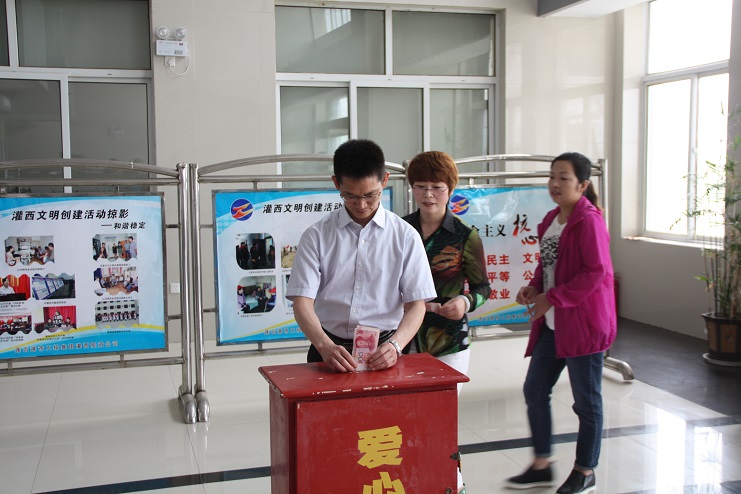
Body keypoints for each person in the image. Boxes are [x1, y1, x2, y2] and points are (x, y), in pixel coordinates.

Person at [505, 152, 616, 493]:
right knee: (535, 389)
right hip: (555, 324)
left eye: (564, 178)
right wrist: (534, 287)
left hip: (583, 326)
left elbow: (595, 273)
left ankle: (585, 470)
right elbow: (548, 265)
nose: (554, 183)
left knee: (587, 402)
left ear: (582, 185)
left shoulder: (589, 221)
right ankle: (542, 464)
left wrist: (550, 298)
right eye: (552, 176)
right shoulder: (553, 219)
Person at [286, 139, 436, 372]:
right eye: (351, 196)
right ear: (336, 183)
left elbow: (417, 305)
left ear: (384, 180)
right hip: (327, 348)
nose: (362, 204)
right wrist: (324, 345)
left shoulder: (405, 236)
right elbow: (302, 302)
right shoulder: (316, 236)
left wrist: (395, 345)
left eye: (370, 195)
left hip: (385, 351)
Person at [403, 151, 490, 494]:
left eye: (437, 187)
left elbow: (483, 287)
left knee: (439, 418)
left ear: (450, 189)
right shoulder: (398, 229)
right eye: (420, 186)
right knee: (409, 418)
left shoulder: (465, 236)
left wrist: (465, 302)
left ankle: (454, 484)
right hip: (404, 339)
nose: (428, 194)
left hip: (449, 341)